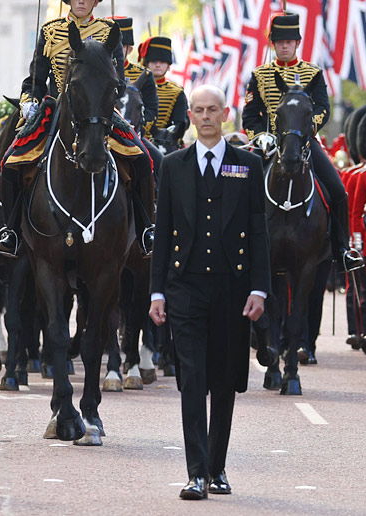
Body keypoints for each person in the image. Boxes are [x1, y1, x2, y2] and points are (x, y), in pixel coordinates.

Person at [149, 84, 271, 500]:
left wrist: (259, 288)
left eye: (212, 110)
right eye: (198, 110)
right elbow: (162, 232)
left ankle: (217, 469)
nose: (204, 116)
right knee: (192, 379)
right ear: (190, 117)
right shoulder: (172, 165)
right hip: (184, 289)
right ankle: (196, 473)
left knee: (222, 379)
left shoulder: (247, 165)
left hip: (232, 289)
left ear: (225, 115)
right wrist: (156, 293)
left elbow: (258, 231)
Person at [0, 0, 152, 257]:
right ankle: (11, 231)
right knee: (10, 162)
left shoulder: (109, 32)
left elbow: (117, 77)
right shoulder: (50, 32)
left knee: (143, 158)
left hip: (100, 111)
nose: (81, 1)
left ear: (96, 0)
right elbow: (35, 79)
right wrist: (29, 102)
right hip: (57, 109)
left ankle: (146, 229)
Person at [241, 12, 359, 272]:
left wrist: (304, 131)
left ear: (297, 43)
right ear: (273, 44)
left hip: (304, 143)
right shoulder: (260, 75)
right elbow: (250, 115)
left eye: (289, 41)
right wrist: (260, 136)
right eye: (280, 41)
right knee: (241, 191)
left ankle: (342, 249)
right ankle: (237, 246)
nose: (284, 46)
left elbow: (323, 109)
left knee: (338, 190)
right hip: (269, 144)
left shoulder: (312, 73)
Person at [140, 35, 188, 154]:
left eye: (162, 62)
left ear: (168, 65)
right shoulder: (137, 87)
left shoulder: (177, 92)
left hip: (165, 141)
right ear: (146, 63)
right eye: (154, 61)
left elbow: (181, 122)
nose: (158, 65)